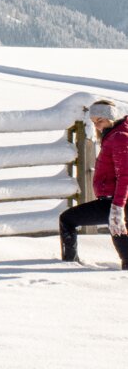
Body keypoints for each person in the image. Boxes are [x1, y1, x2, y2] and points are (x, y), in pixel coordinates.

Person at [59, 99, 128, 269]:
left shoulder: (119, 137)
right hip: (115, 200)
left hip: (115, 201)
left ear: (111, 118)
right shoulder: (114, 135)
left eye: (100, 120)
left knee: (67, 219)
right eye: (94, 122)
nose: (97, 126)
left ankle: (68, 264)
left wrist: (117, 208)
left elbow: (125, 175)